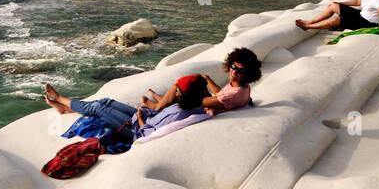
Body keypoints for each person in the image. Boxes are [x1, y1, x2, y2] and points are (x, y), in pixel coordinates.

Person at [43, 74, 211, 139]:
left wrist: (139, 117)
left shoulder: (180, 113)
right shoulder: (191, 104)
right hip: (146, 117)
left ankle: (60, 99)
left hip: (134, 130)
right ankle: (66, 108)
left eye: (178, 90)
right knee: (107, 101)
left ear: (184, 94)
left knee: (99, 108)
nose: (176, 92)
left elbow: (149, 133)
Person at [140, 47, 262, 117]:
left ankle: (158, 106)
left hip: (204, 111)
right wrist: (207, 79)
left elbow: (201, 102)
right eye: (233, 67)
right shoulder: (242, 87)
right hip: (213, 105)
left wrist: (184, 92)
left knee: (180, 84)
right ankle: (166, 100)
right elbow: (221, 94)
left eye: (240, 70)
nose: (234, 72)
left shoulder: (235, 94)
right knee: (187, 86)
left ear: (248, 73)